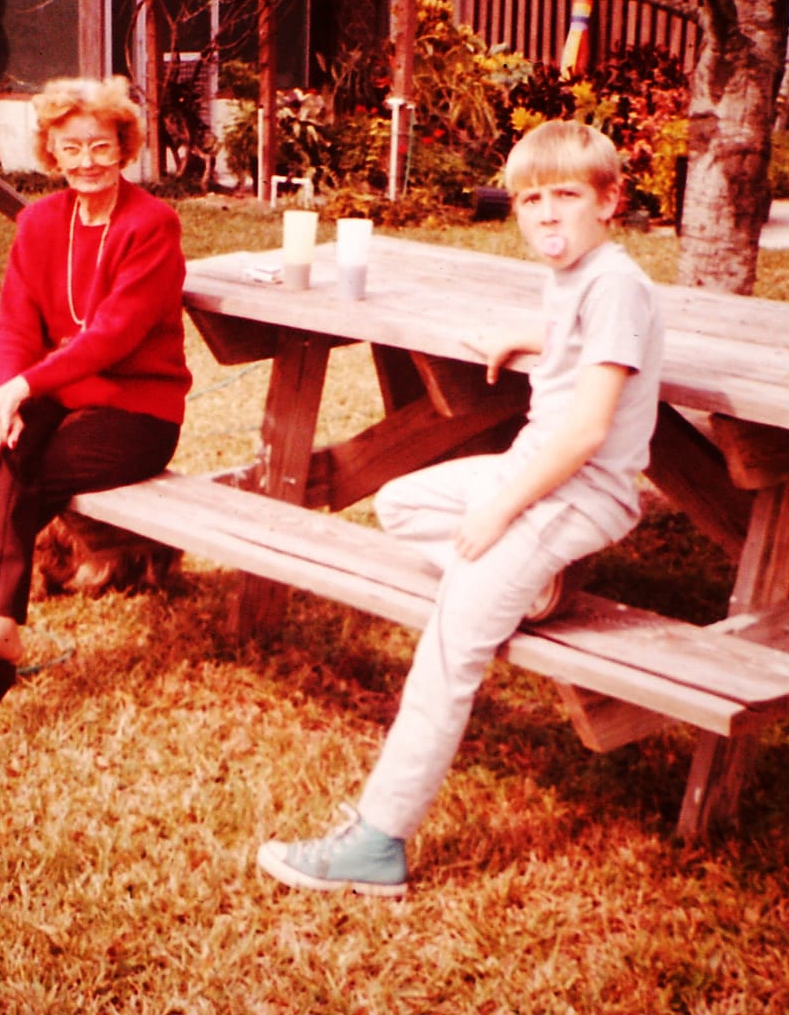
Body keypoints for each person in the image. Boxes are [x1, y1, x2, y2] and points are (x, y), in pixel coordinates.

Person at [256, 119, 665, 895]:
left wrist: (499, 511)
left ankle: (378, 841)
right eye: (530, 200)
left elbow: (585, 429)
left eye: (567, 196)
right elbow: (572, 340)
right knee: (402, 500)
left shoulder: (616, 285)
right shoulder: (579, 277)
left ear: (610, 202)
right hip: (538, 473)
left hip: (574, 490)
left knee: (451, 644)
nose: (547, 214)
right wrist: (525, 338)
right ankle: (536, 588)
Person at [0, 75, 192, 711]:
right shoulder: (40, 222)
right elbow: (16, 328)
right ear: (52, 154)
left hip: (136, 412)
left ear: (124, 146)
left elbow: (112, 336)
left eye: (101, 147)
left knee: (13, 486)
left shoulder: (153, 225)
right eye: (70, 148)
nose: (86, 162)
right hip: (57, 397)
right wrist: (7, 404)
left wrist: (22, 389)